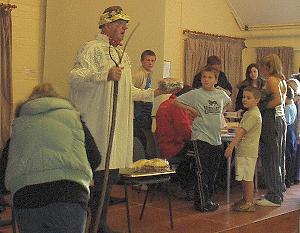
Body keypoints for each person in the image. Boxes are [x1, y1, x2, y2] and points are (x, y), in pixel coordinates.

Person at [69, 6, 172, 233]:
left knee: (111, 174)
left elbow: (128, 92)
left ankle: (99, 221)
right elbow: (75, 78)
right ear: (106, 25)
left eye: (125, 23)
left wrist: (154, 92)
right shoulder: (91, 49)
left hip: (116, 129)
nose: (124, 27)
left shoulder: (122, 55)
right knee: (98, 174)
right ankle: (92, 222)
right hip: (98, 125)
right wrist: (103, 75)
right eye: (120, 23)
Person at [3, 83, 101, 233]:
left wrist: (5, 194)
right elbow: (95, 157)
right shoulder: (74, 118)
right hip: (69, 194)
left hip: (27, 197)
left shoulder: (19, 124)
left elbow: (4, 164)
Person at [175, 66, 231, 212]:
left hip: (216, 138)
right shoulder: (196, 94)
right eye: (204, 77)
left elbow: (228, 102)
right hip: (201, 137)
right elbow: (176, 101)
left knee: (213, 171)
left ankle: (208, 199)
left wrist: (221, 113)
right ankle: (201, 202)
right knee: (202, 171)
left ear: (216, 80)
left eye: (210, 77)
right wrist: (192, 110)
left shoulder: (220, 94)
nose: (206, 80)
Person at [225, 86, 262, 212]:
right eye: (243, 97)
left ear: (257, 100)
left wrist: (230, 146)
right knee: (244, 176)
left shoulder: (253, 114)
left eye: (248, 97)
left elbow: (241, 132)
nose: (244, 100)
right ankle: (245, 198)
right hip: (244, 150)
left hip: (248, 151)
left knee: (247, 177)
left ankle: (249, 202)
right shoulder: (248, 113)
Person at [257, 54, 287, 207]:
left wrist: (260, 107)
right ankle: (276, 190)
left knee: (270, 158)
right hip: (280, 121)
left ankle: (274, 196)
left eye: (262, 66)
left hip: (272, 121)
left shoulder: (271, 80)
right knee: (278, 158)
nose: (260, 69)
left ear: (268, 67)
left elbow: (277, 100)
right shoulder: (282, 80)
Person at [155, 85, 195, 198]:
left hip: (163, 145)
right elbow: (185, 131)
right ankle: (188, 186)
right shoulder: (177, 107)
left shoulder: (165, 104)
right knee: (203, 150)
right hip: (174, 147)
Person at [132, 50, 157, 152]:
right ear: (142, 61)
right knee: (141, 136)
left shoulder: (149, 74)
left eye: (152, 60)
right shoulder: (138, 74)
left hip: (147, 110)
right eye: (148, 60)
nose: (150, 63)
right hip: (139, 111)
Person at [284, 86, 297, 188]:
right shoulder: (293, 105)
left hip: (288, 132)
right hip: (292, 132)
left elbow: (286, 122)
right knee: (291, 155)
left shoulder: (287, 107)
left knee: (288, 156)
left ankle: (287, 179)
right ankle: (290, 178)